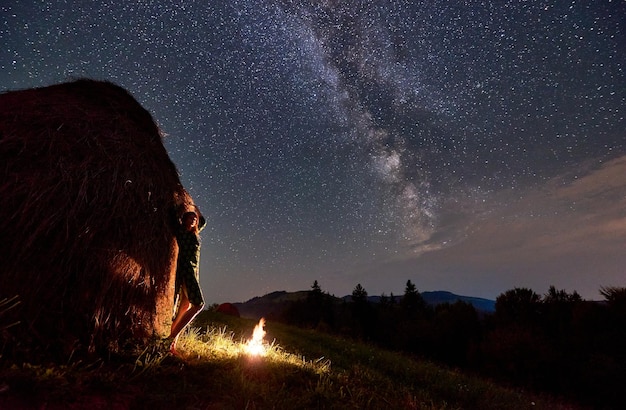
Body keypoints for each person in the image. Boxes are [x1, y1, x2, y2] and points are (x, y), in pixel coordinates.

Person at [168, 209, 206, 355]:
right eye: (189, 218)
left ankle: (172, 344)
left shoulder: (194, 233)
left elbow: (203, 220)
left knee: (185, 304)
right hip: (187, 270)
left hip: (194, 272)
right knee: (199, 304)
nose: (193, 220)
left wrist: (193, 207)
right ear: (183, 220)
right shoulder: (181, 231)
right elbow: (172, 213)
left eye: (194, 219)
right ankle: (170, 339)